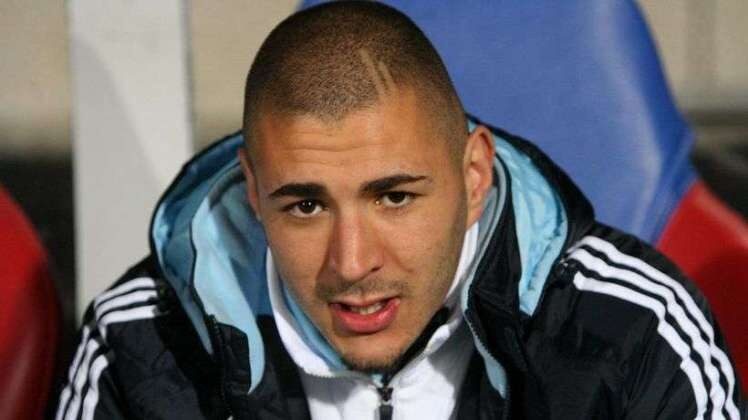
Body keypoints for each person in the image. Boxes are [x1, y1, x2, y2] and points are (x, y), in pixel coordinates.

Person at [56, 2, 745, 419]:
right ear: (253, 190)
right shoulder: (140, 343)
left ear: (474, 176)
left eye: (394, 197)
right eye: (305, 205)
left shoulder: (637, 330)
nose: (352, 263)